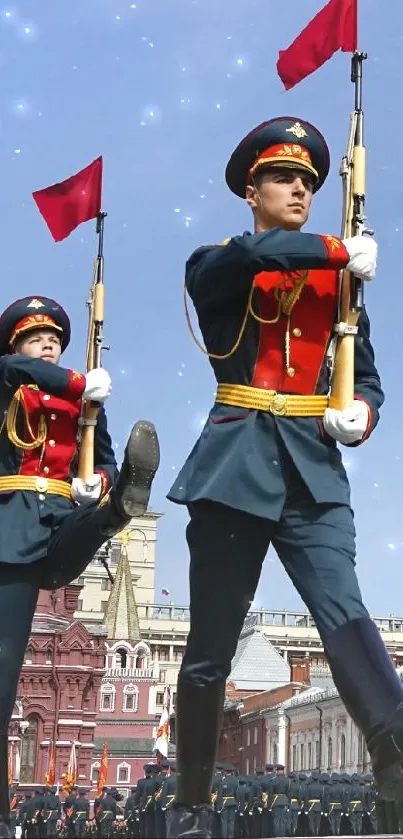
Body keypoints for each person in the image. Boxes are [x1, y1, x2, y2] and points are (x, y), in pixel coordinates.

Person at [167, 116, 403, 838]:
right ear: (251, 190)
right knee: (209, 649)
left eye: (308, 181)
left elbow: (365, 378)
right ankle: (192, 801)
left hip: (312, 469)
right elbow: (248, 255)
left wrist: (358, 413)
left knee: (345, 610)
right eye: (283, 177)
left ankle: (394, 754)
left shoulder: (341, 286)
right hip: (235, 462)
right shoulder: (217, 262)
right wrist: (336, 249)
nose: (299, 188)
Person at [0, 295, 160, 838]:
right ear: (16, 346)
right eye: (36, 338)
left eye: (56, 340)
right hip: (11, 531)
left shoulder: (85, 405)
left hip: (64, 523)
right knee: (3, 677)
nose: (49, 344)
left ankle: (119, 508)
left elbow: (106, 455)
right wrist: (74, 382)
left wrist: (103, 480)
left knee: (103, 510)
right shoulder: (9, 385)